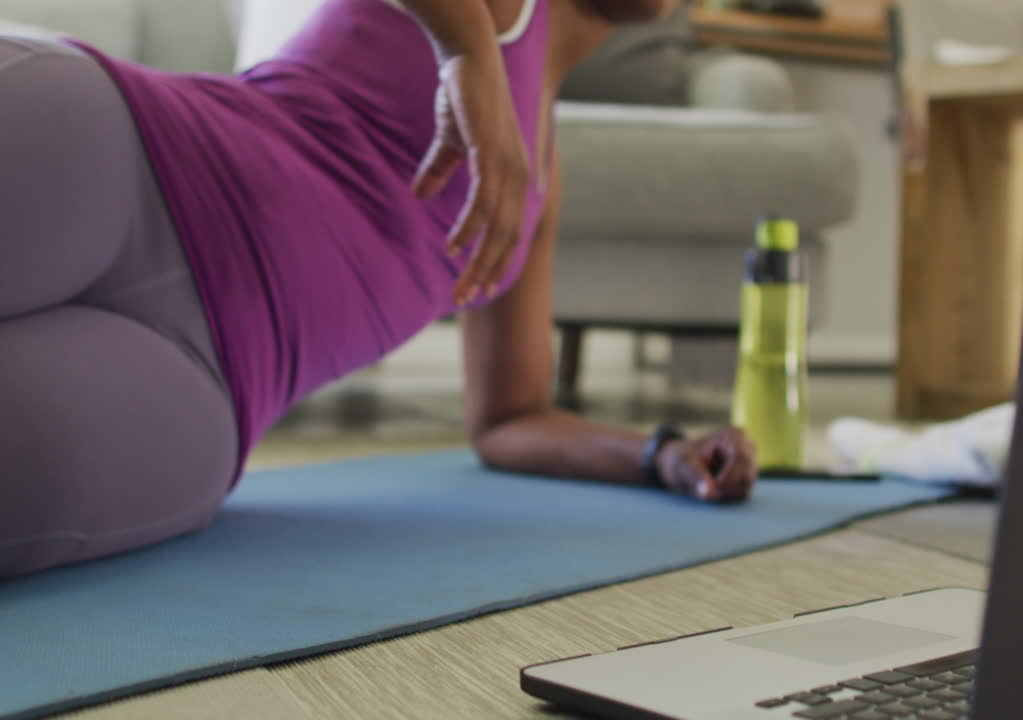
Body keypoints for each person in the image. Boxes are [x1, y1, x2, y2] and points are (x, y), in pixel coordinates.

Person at [0, 0, 758, 580]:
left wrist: (659, 452)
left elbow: (510, 416)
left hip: (206, 388)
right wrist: (467, 50)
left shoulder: (539, 176)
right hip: (129, 162)